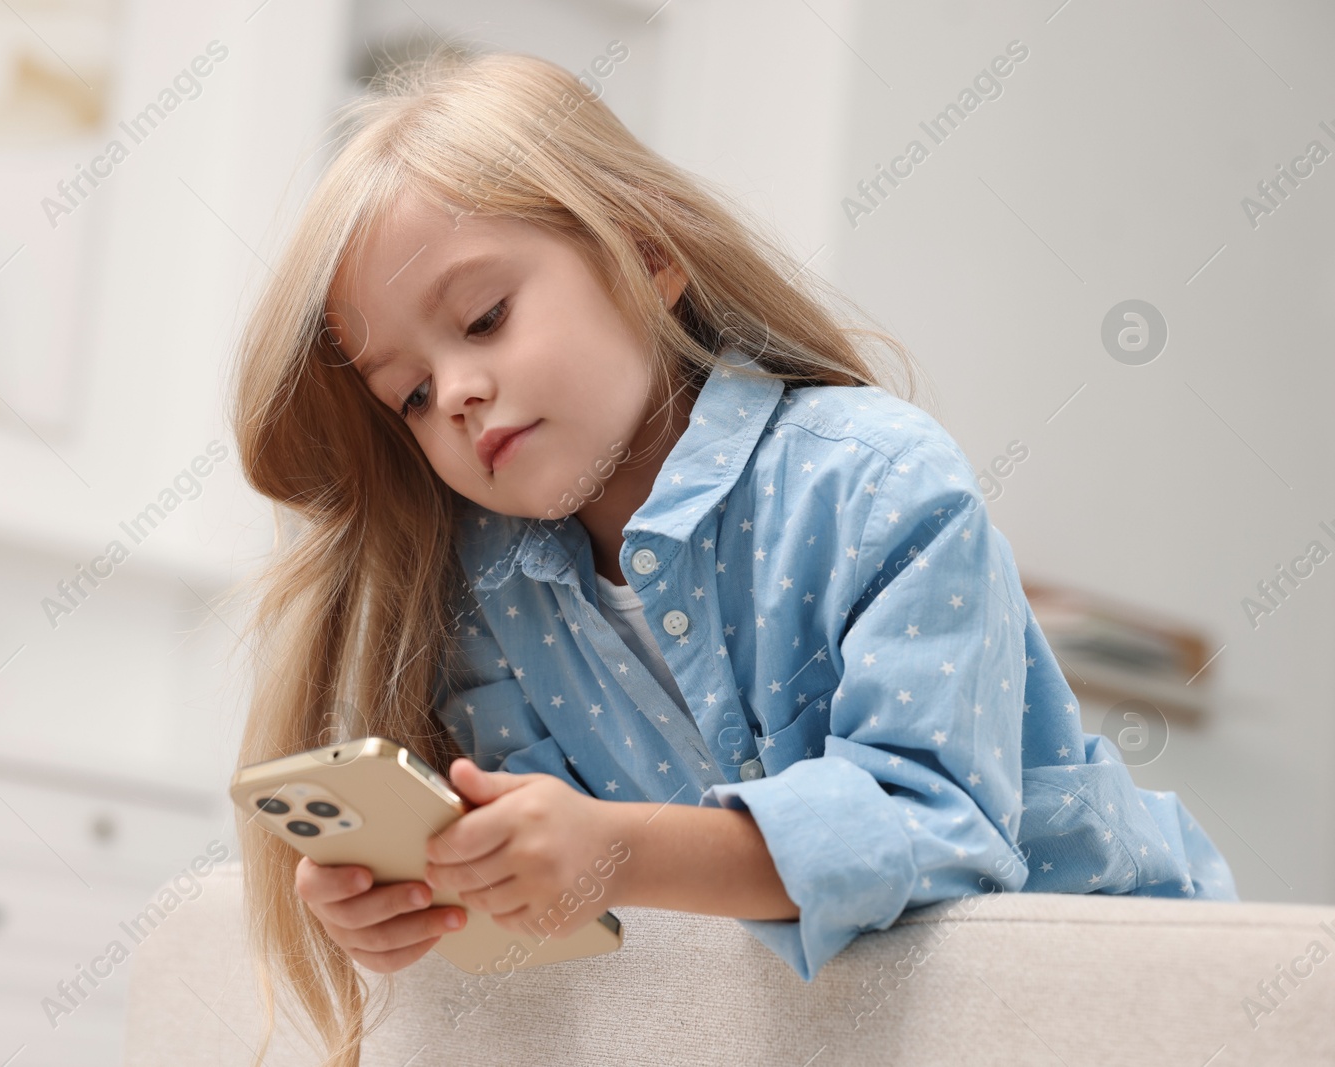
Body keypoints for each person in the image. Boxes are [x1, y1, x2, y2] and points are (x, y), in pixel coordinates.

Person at [229, 44, 1237, 1065]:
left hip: (1137, 989)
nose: (454, 392)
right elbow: (568, 895)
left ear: (649, 256)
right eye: (407, 392)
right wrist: (429, 885)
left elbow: (932, 827)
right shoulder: (486, 599)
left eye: (484, 317)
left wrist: (618, 848)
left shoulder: (872, 476)